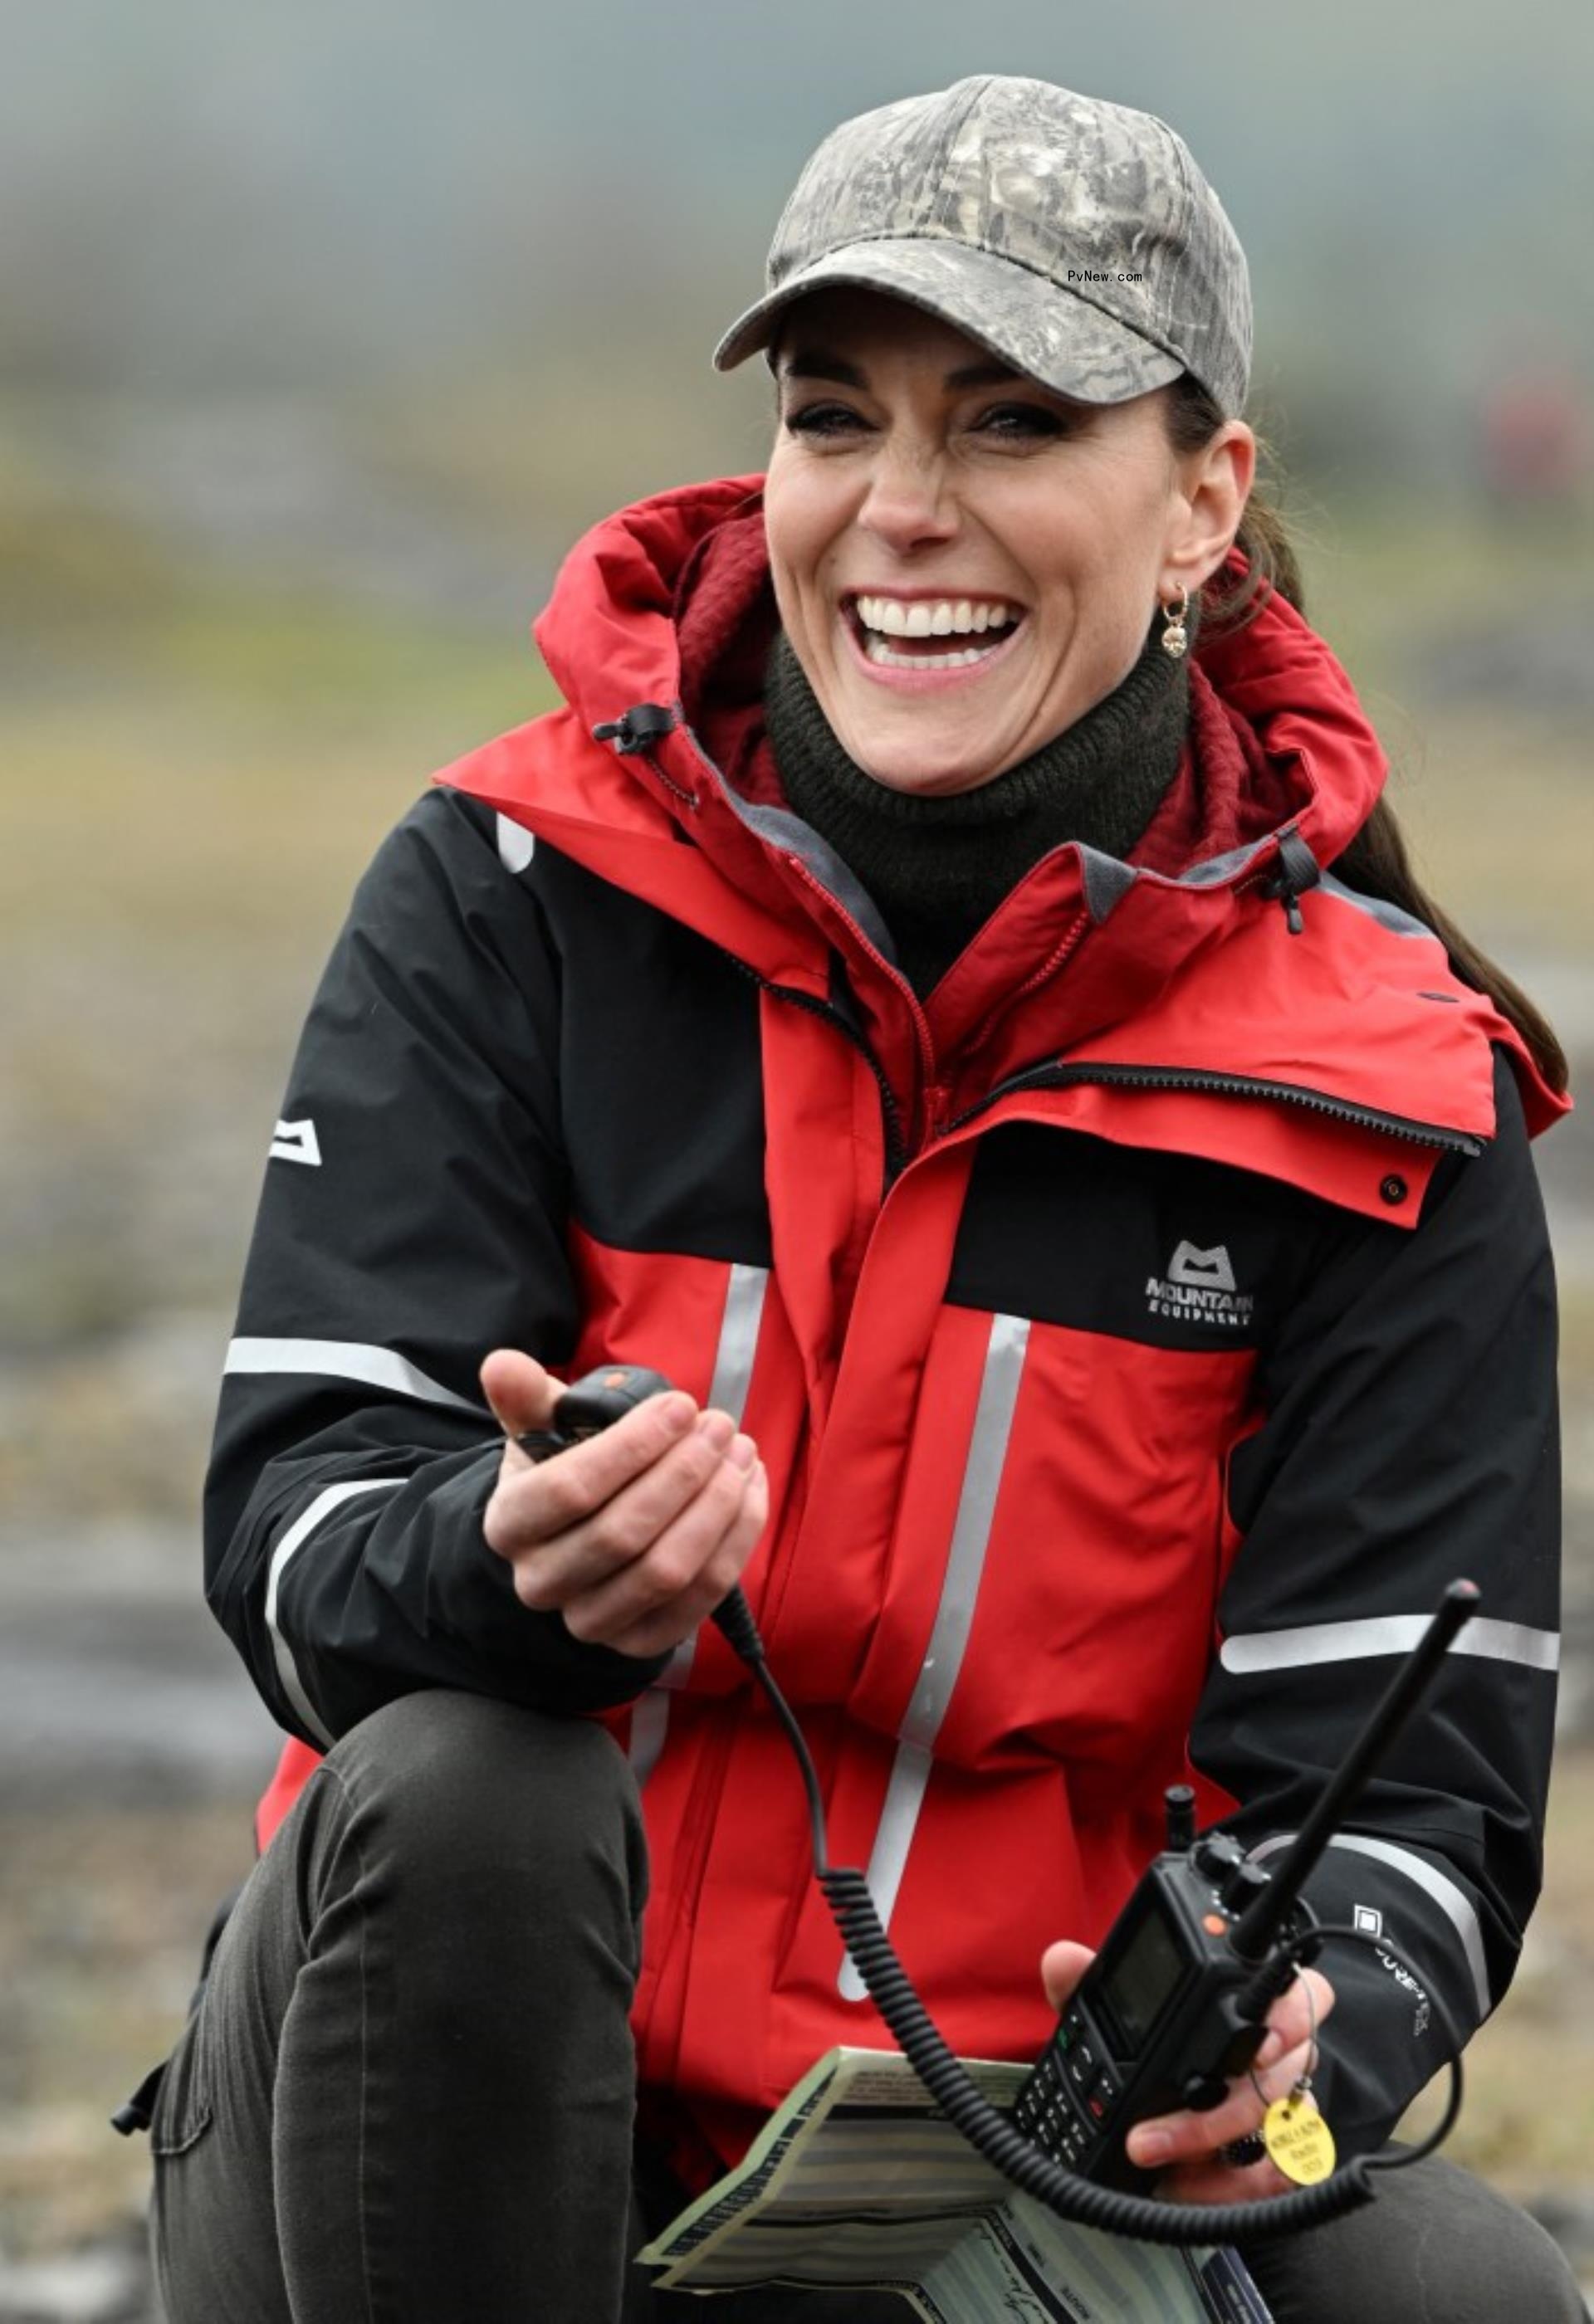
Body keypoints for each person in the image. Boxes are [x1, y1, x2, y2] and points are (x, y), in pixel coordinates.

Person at [138, 73, 1586, 2324]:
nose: (904, 510)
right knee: (469, 1792)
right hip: (411, 2170)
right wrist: (501, 1566)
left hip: (998, 2192)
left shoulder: (1396, 1094)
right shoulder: (505, 896)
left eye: (1014, 425)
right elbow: (298, 1541)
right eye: (838, 418)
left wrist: (1305, 2031)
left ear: (1205, 502)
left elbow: (1409, 1811)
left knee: (1458, 2288)